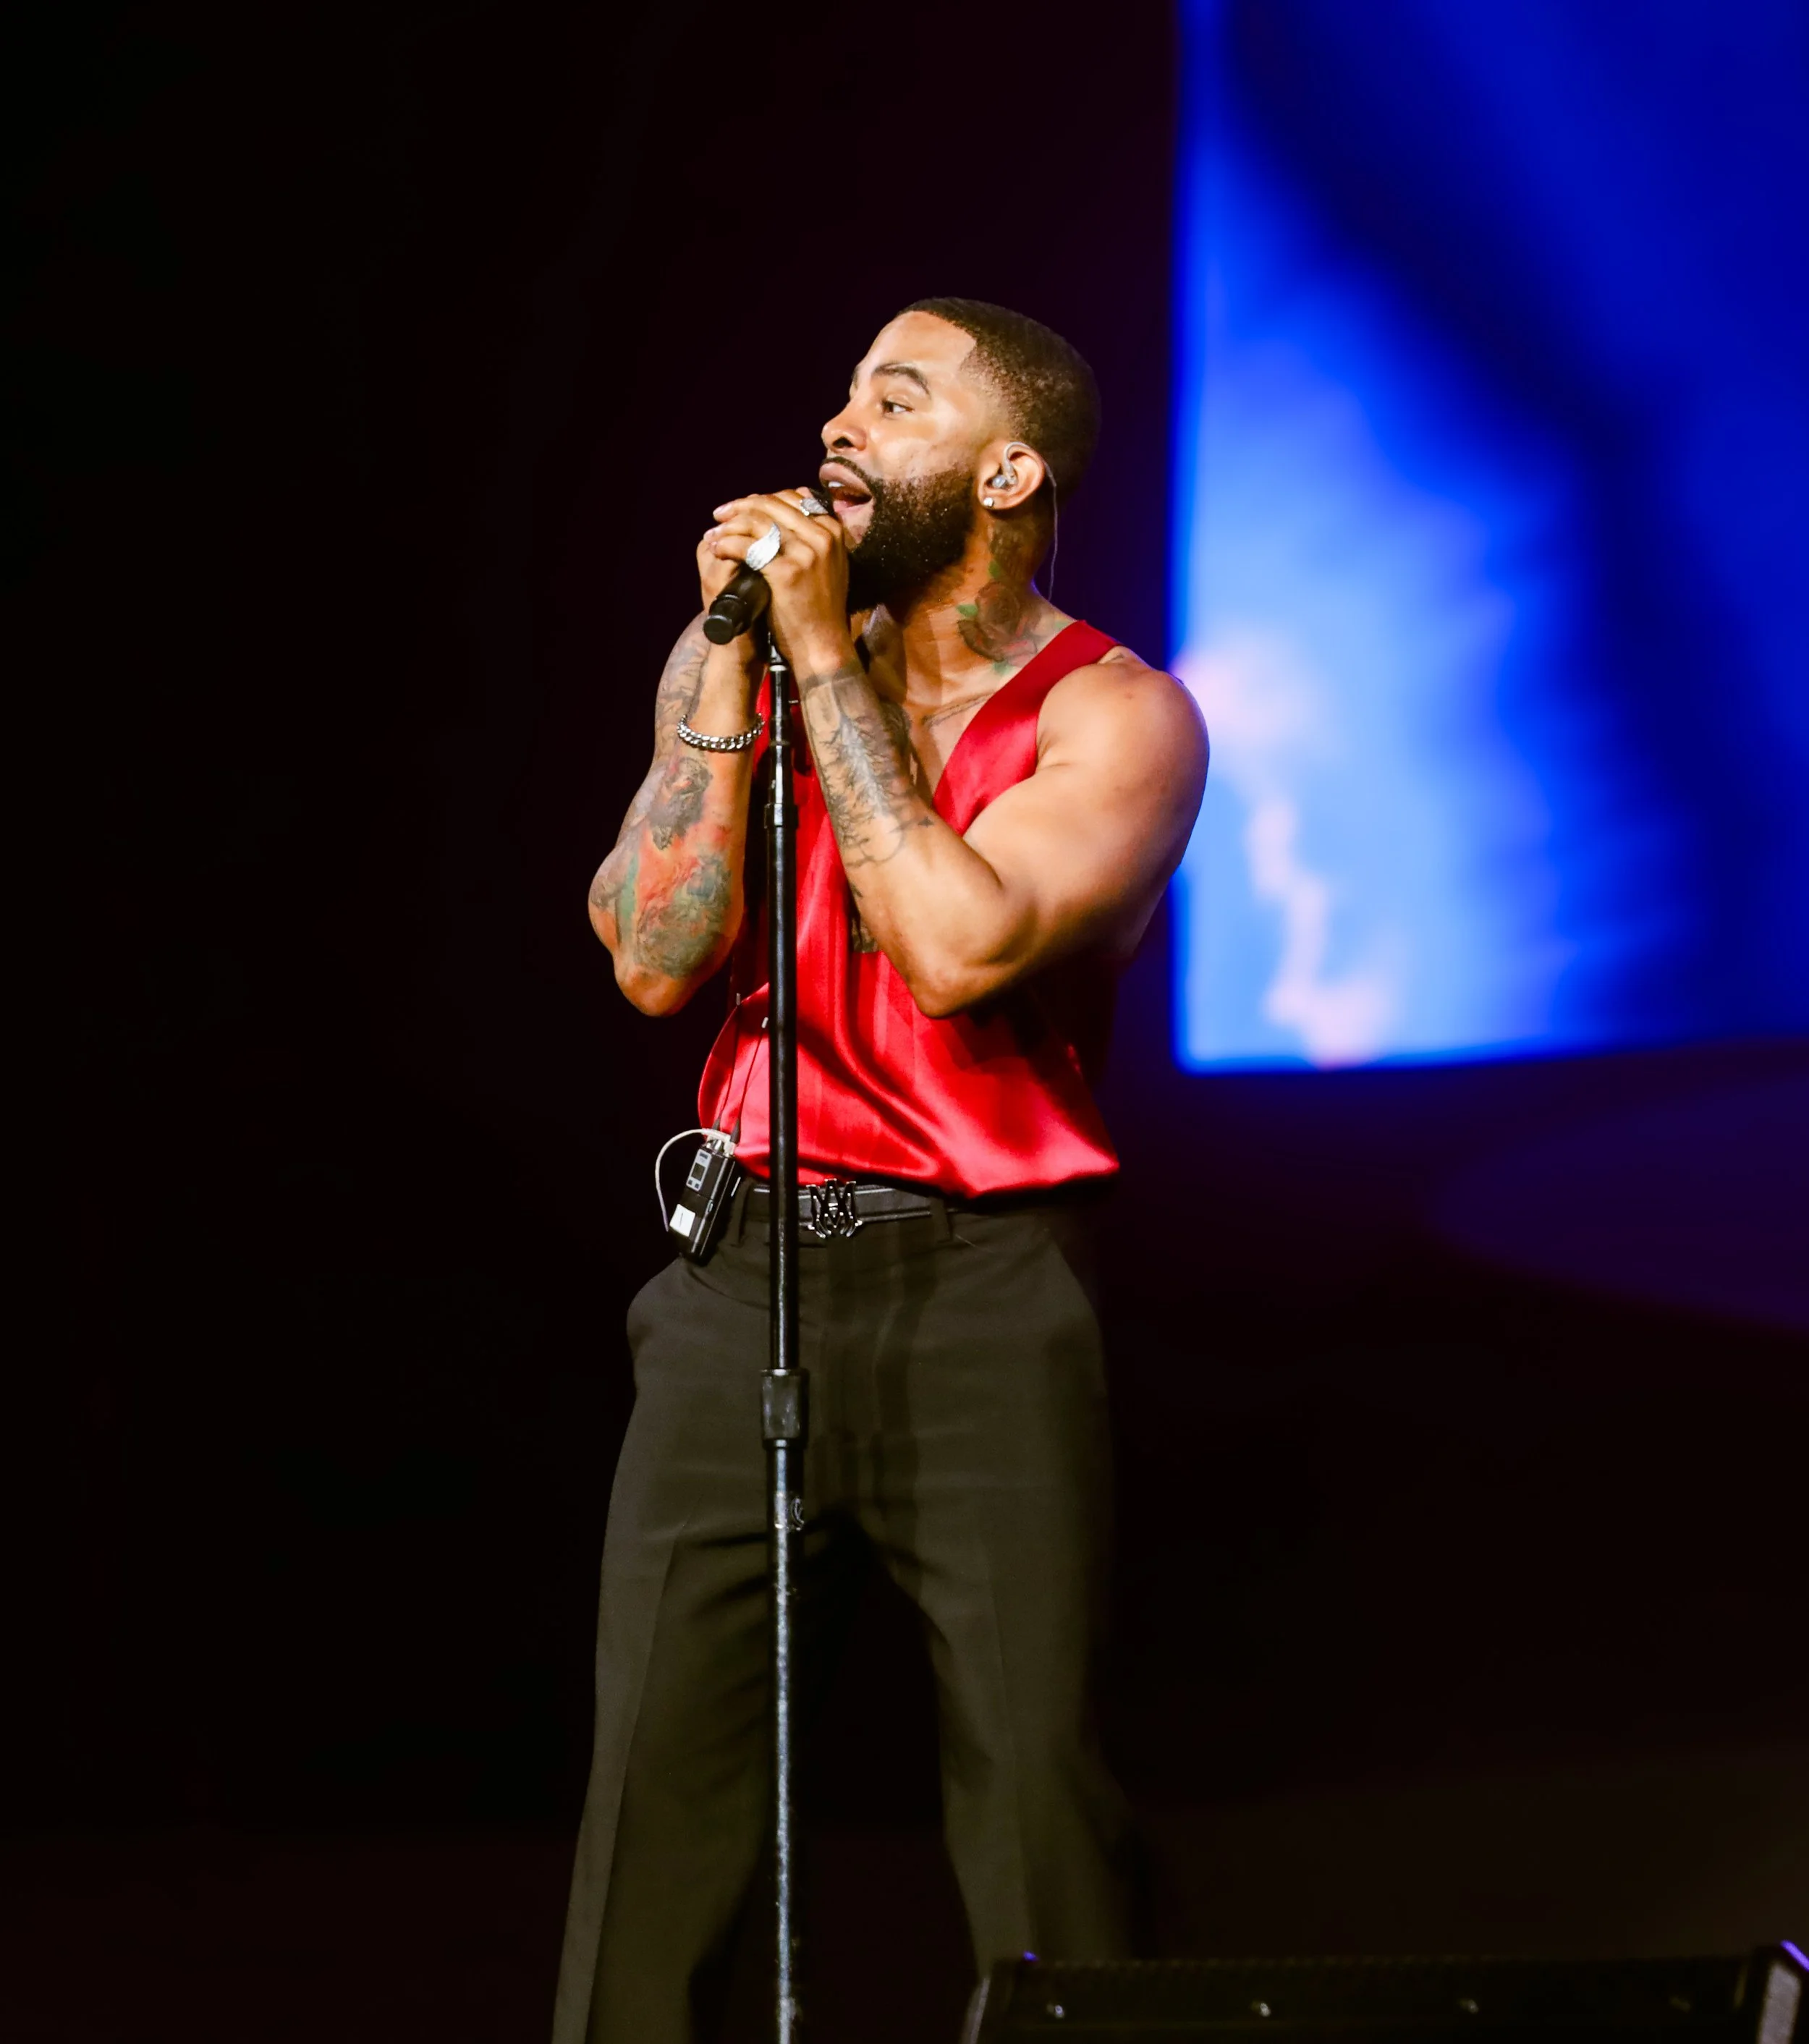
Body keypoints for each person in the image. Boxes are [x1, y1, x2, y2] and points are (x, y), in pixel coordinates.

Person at [554, 298, 1208, 2044]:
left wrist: (827, 664)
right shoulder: (746, 663)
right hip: (735, 1271)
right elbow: (650, 951)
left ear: (1006, 470)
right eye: (842, 384)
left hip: (978, 1286)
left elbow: (953, 945)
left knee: (1031, 1802)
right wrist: (718, 667)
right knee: (653, 1811)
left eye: (894, 398)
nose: (841, 424)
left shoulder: (1116, 718)